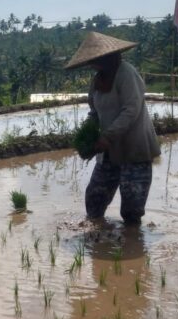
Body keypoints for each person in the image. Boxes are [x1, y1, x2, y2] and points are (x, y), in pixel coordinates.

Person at [65, 32, 160, 225]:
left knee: (132, 207)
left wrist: (107, 137)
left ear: (108, 57)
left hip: (134, 149)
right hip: (108, 152)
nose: (93, 65)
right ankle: (97, 235)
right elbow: (94, 112)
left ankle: (132, 243)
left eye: (96, 61)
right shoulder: (98, 80)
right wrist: (88, 135)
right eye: (91, 62)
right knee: (94, 198)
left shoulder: (127, 73)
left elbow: (131, 110)